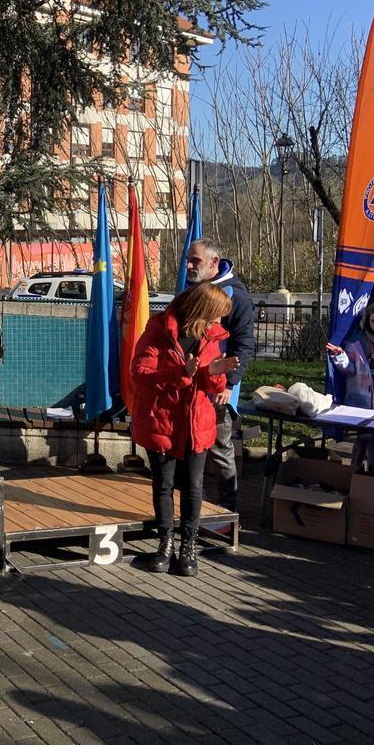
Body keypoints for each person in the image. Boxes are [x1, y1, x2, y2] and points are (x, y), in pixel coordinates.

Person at [131, 283, 238, 577]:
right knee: (163, 484)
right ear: (202, 312)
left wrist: (214, 375)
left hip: (196, 424)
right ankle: (165, 542)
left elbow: (209, 385)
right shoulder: (159, 329)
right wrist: (182, 373)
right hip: (162, 422)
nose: (219, 324)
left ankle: (188, 545)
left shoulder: (211, 336)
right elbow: (140, 376)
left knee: (193, 486)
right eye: (216, 316)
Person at [184, 237, 255, 511]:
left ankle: (226, 511)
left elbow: (245, 344)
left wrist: (230, 384)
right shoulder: (191, 289)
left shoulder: (235, 295)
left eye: (195, 261)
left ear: (214, 262)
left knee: (219, 448)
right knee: (190, 448)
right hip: (188, 382)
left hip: (217, 389)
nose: (189, 266)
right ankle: (192, 506)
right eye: (188, 260)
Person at [326, 303, 374, 470]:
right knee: (363, 437)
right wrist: (340, 356)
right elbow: (349, 370)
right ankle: (355, 470)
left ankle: (372, 471)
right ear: (368, 321)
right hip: (361, 399)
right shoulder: (356, 341)